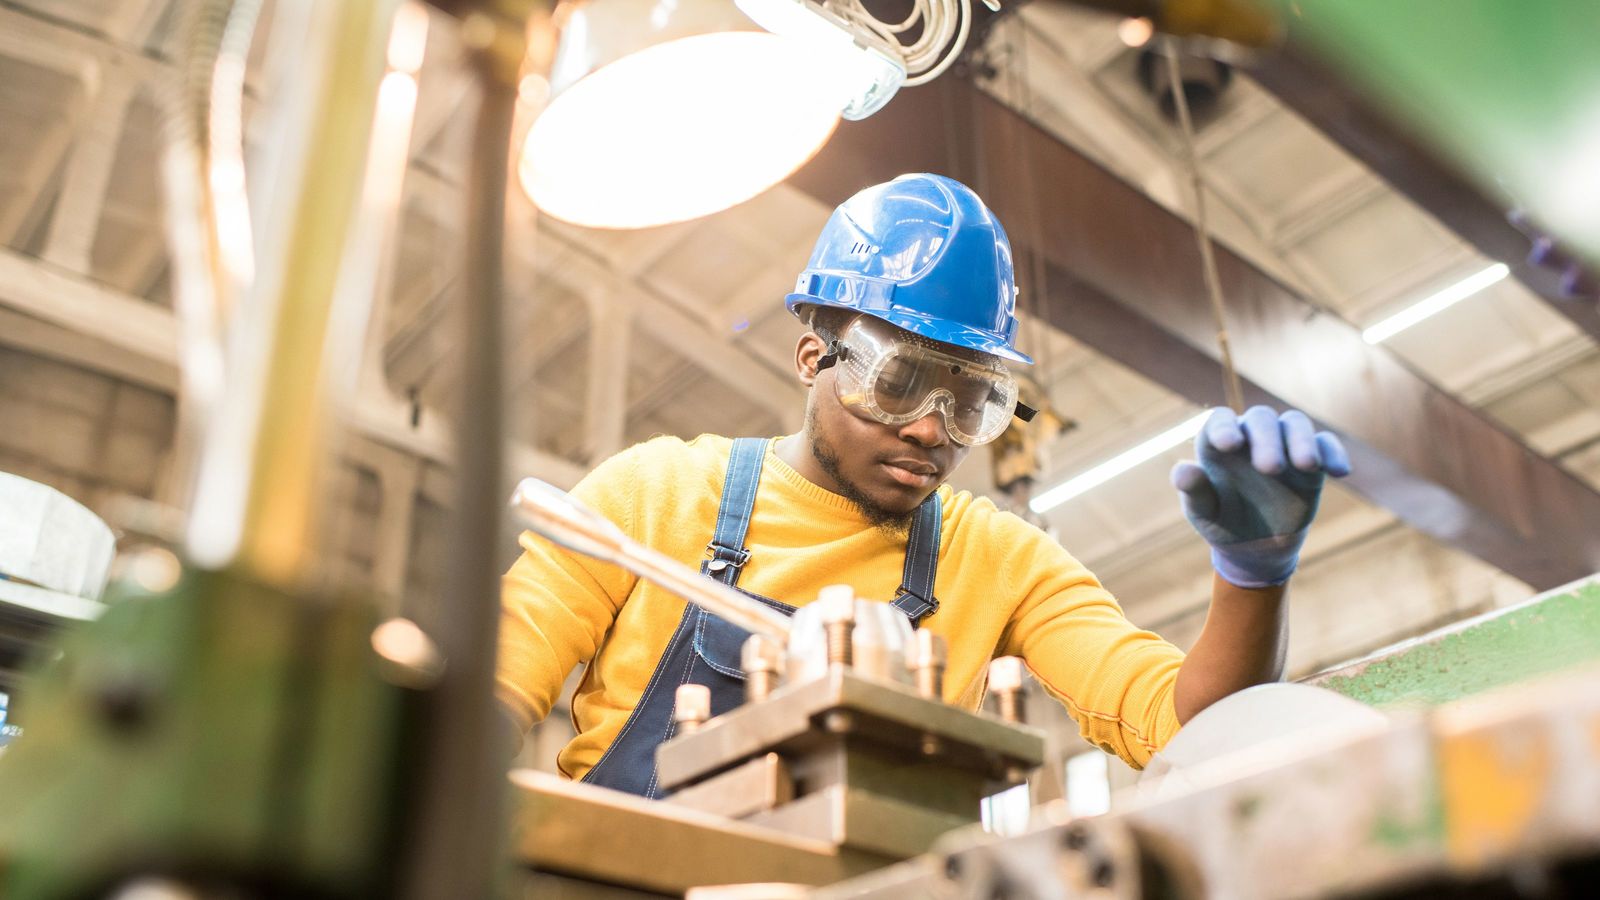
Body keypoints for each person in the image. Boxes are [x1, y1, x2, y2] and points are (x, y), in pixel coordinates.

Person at [496, 173, 1350, 798]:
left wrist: (1251, 581)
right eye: (899, 381)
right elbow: (489, 698)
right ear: (812, 357)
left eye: (973, 400)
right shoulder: (650, 497)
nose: (933, 429)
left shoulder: (999, 560)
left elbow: (1185, 727)